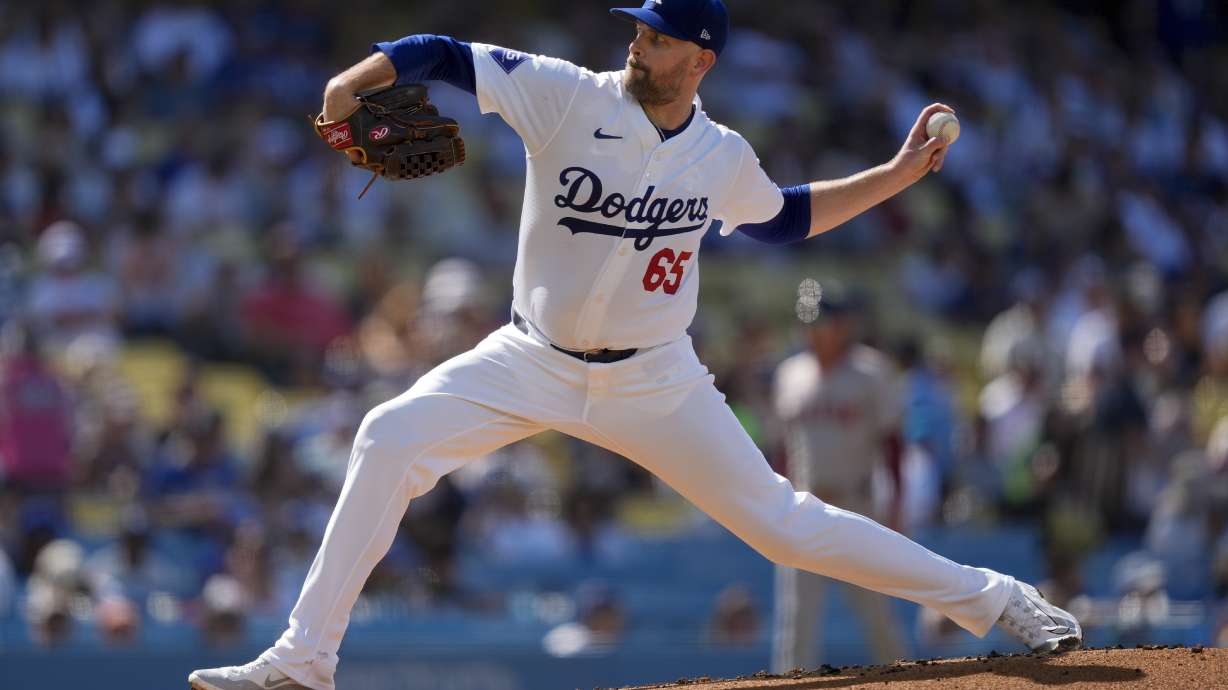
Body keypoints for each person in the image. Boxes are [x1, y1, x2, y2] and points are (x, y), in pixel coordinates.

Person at [190, 2, 1080, 688]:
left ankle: (1000, 598)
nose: (638, 44)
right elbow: (441, 53)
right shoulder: (565, 93)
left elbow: (785, 220)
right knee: (387, 435)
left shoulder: (721, 155)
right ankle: (305, 661)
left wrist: (892, 176)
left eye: (658, 37)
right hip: (528, 359)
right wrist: (352, 84)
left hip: (656, 380)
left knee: (784, 528)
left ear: (700, 59)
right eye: (639, 31)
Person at [770, 290, 909, 671]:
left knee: (876, 610)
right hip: (803, 506)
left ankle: (903, 680)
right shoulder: (790, 373)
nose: (814, 331)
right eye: (808, 322)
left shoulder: (871, 371)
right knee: (796, 619)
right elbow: (781, 448)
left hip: (856, 503)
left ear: (843, 324)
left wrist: (897, 499)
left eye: (822, 322)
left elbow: (893, 442)